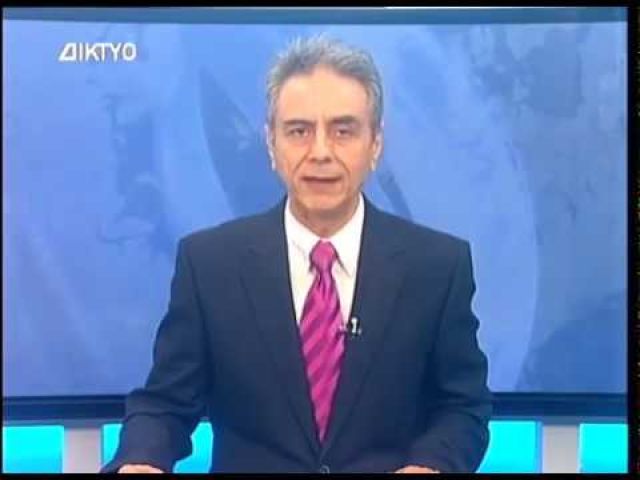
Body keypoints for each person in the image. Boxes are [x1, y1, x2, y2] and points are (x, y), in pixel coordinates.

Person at [102, 35, 492, 474]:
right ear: (271, 144)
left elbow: (463, 407)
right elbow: (165, 404)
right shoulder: (209, 265)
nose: (320, 152)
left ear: (376, 144)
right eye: (299, 131)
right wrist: (141, 459)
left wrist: (433, 464)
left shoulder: (436, 266)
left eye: (343, 131)